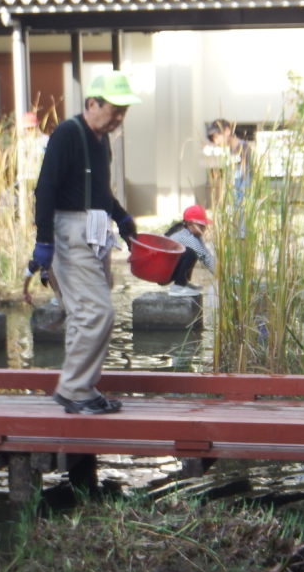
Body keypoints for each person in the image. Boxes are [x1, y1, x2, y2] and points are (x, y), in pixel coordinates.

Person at [34, 71, 141, 415]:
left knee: (84, 317)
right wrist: (43, 241)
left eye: (124, 110)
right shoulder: (68, 133)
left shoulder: (101, 140)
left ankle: (84, 388)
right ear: (92, 103)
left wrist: (123, 219)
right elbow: (46, 188)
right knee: (98, 312)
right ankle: (73, 388)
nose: (120, 117)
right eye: (115, 109)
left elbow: (99, 191)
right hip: (69, 230)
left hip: (95, 230)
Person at [164, 204, 215, 297]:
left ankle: (183, 283)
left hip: (169, 269)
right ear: (189, 224)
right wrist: (221, 275)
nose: (204, 228)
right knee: (190, 252)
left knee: (192, 252)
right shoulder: (187, 237)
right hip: (164, 272)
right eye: (200, 225)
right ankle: (178, 286)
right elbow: (204, 257)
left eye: (204, 225)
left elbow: (205, 253)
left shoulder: (194, 236)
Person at [205, 118, 252, 210]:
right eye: (213, 138)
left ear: (227, 131)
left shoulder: (243, 149)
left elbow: (246, 179)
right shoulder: (231, 152)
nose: (216, 141)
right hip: (234, 201)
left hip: (242, 202)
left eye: (217, 136)